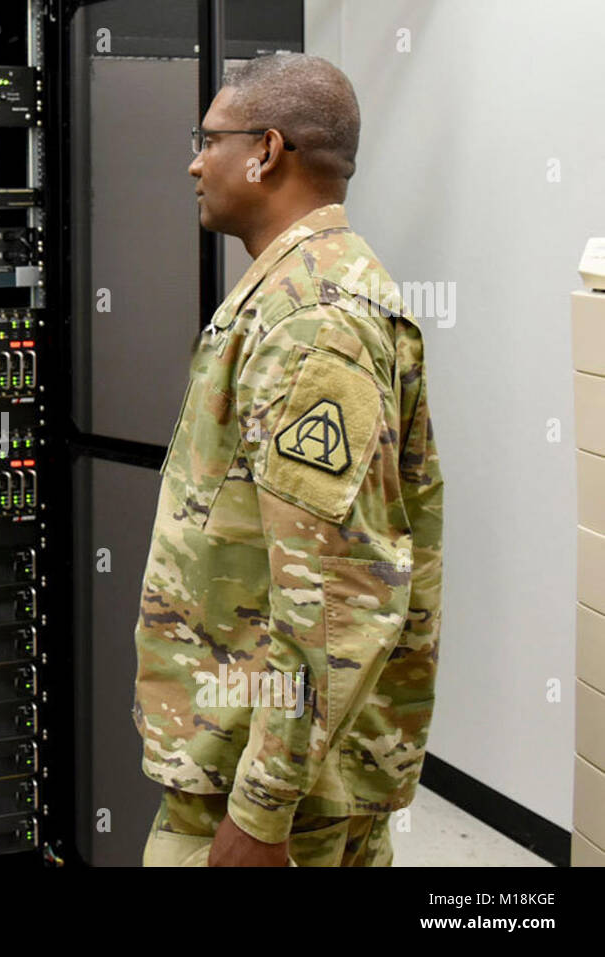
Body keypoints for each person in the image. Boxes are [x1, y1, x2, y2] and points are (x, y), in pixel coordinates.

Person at [132, 54, 444, 867]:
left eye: (209, 139)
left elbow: (336, 593)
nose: (195, 161)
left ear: (266, 151)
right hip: (252, 755)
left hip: (270, 788)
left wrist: (263, 808)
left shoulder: (313, 318)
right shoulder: (293, 293)